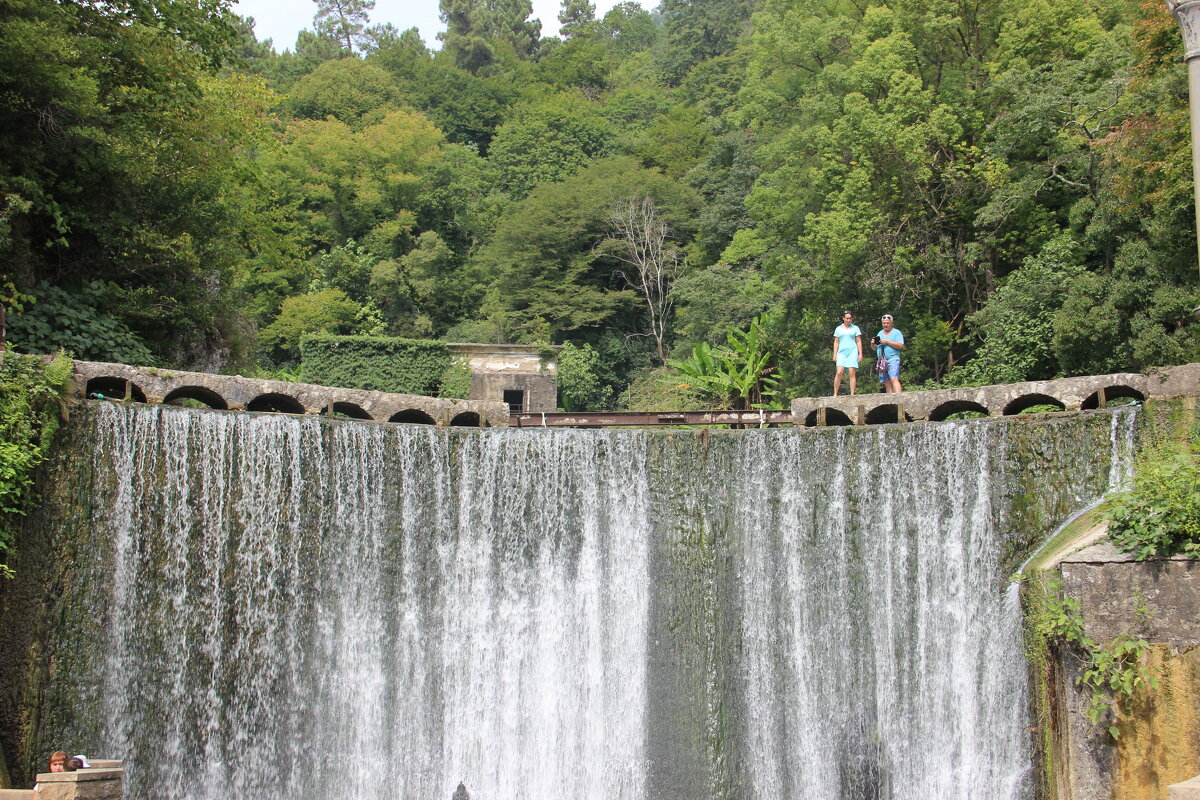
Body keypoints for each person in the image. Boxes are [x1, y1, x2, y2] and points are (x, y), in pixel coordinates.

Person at [831, 311, 863, 396]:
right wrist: (834, 354)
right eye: (847, 318)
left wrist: (860, 354)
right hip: (841, 352)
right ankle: (835, 393)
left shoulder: (855, 328)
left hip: (852, 351)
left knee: (851, 372)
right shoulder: (838, 329)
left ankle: (852, 393)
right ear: (843, 318)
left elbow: (858, 341)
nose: (849, 320)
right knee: (839, 372)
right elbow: (836, 342)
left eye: (850, 318)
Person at [874, 314, 905, 393]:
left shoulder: (896, 332)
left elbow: (900, 345)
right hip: (882, 361)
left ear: (891, 323)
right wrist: (872, 344)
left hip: (893, 359)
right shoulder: (880, 333)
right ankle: (890, 401)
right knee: (886, 381)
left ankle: (899, 399)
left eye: (887, 323)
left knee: (894, 378)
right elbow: (874, 348)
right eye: (884, 323)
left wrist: (887, 342)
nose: (886, 325)